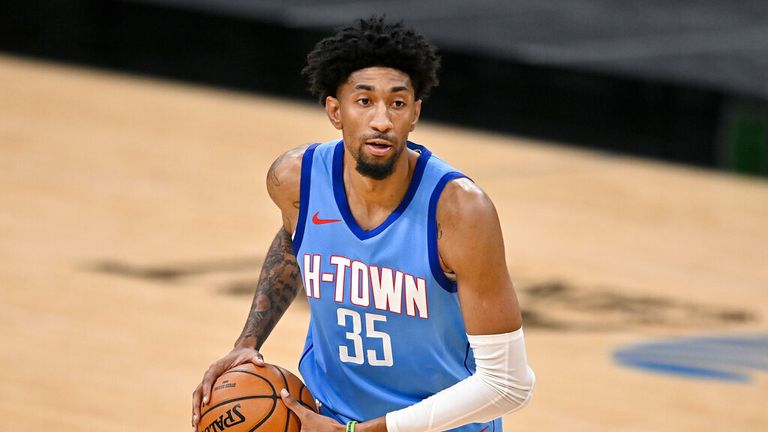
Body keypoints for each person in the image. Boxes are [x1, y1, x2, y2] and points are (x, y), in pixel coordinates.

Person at [192, 16, 535, 432]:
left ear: (415, 113)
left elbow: (509, 384)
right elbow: (292, 242)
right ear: (335, 111)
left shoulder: (461, 211)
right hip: (331, 417)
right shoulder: (297, 179)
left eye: (397, 102)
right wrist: (248, 343)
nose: (382, 121)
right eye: (364, 101)